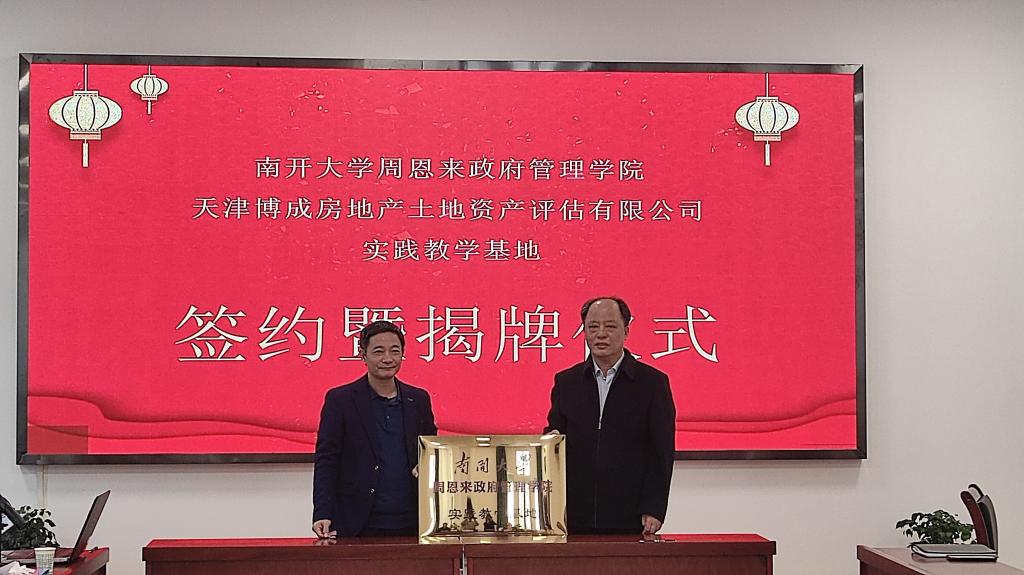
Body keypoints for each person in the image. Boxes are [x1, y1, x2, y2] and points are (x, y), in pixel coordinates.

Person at [545, 297, 675, 535]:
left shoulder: (652, 383)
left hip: (630, 513)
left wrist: (654, 507)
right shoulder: (567, 382)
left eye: (610, 326)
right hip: (574, 512)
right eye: (593, 327)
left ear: (626, 331)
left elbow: (661, 452)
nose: (601, 334)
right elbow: (555, 438)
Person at [312, 320, 437, 538]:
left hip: (413, 520)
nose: (388, 358)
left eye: (395, 351)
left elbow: (430, 451)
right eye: (379, 351)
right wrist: (322, 512)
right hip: (356, 521)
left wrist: (425, 463)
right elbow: (327, 460)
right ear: (363, 355)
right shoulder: (341, 400)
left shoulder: (418, 399)